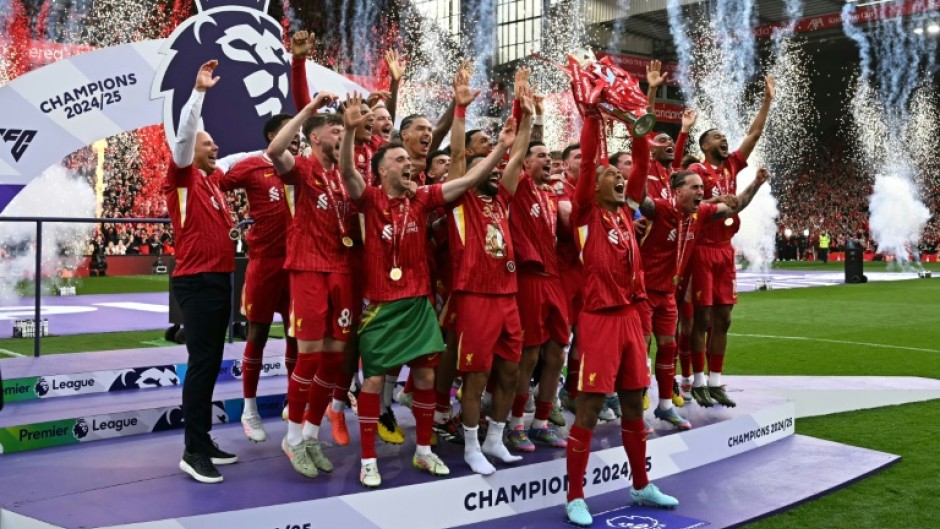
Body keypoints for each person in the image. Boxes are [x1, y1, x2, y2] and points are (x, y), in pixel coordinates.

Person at [339, 93, 518, 488]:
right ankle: (368, 458)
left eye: (409, 160)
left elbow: (467, 180)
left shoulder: (421, 199)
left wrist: (501, 149)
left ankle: (423, 450)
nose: (409, 164)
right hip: (381, 305)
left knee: (424, 376)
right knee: (373, 382)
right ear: (382, 170)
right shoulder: (368, 198)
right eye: (399, 160)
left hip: (419, 304)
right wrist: (350, 130)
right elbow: (348, 172)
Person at [564, 64, 678, 527]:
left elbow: (643, 162)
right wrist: (593, 117)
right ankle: (575, 496)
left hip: (632, 317)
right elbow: (591, 159)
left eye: (620, 175)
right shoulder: (585, 213)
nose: (618, 178)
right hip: (599, 319)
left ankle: (641, 484)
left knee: (634, 402)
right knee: (590, 407)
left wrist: (640, 114)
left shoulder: (627, 211)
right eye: (610, 174)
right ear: (594, 184)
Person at [446, 80, 536, 475]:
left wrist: (527, 116)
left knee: (510, 371)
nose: (495, 169)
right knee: (476, 375)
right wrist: (460, 110)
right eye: (485, 163)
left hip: (507, 295)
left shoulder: (502, 199)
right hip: (475, 295)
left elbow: (517, 157)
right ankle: (470, 447)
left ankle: (495, 439)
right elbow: (457, 156)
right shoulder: (459, 197)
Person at [639, 167, 770, 431]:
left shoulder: (700, 215)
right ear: (678, 191)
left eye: (702, 187)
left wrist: (756, 183)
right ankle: (635, 411)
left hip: (667, 293)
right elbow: (640, 199)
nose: (701, 191)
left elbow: (735, 206)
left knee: (668, 348)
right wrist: (641, 162)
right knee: (640, 351)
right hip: (643, 291)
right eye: (695, 187)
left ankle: (665, 406)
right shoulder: (661, 209)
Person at [267, 92, 353, 478]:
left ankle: (312, 434)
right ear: (316, 137)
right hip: (308, 269)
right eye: (335, 131)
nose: (341, 136)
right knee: (309, 357)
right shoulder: (301, 169)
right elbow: (275, 149)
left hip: (341, 271)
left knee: (333, 360)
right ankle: (292, 439)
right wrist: (308, 110)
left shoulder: (346, 176)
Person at [168, 60, 239, 484]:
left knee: (211, 364)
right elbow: (184, 137)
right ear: (190, 151)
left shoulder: (213, 183)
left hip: (218, 279)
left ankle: (203, 439)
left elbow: (250, 157)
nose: (216, 148)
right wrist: (198, 93)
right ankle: (192, 451)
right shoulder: (182, 178)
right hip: (196, 282)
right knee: (201, 365)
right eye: (208, 143)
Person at [686, 75, 775, 408]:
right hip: (702, 249)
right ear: (705, 146)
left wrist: (767, 100)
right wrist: (715, 201)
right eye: (716, 137)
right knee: (703, 319)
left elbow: (754, 134)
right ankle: (697, 382)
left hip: (725, 250)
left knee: (724, 318)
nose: (724, 139)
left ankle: (715, 382)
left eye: (724, 137)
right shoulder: (697, 171)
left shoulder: (732, 166)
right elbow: (692, 205)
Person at [218, 114, 300, 444]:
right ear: (271, 136)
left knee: (297, 336)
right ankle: (249, 409)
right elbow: (217, 180)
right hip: (264, 263)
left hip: (298, 265)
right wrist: (243, 156)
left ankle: (294, 401)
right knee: (258, 334)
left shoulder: (302, 168)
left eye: (298, 131)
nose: (296, 136)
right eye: (289, 131)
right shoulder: (253, 166)